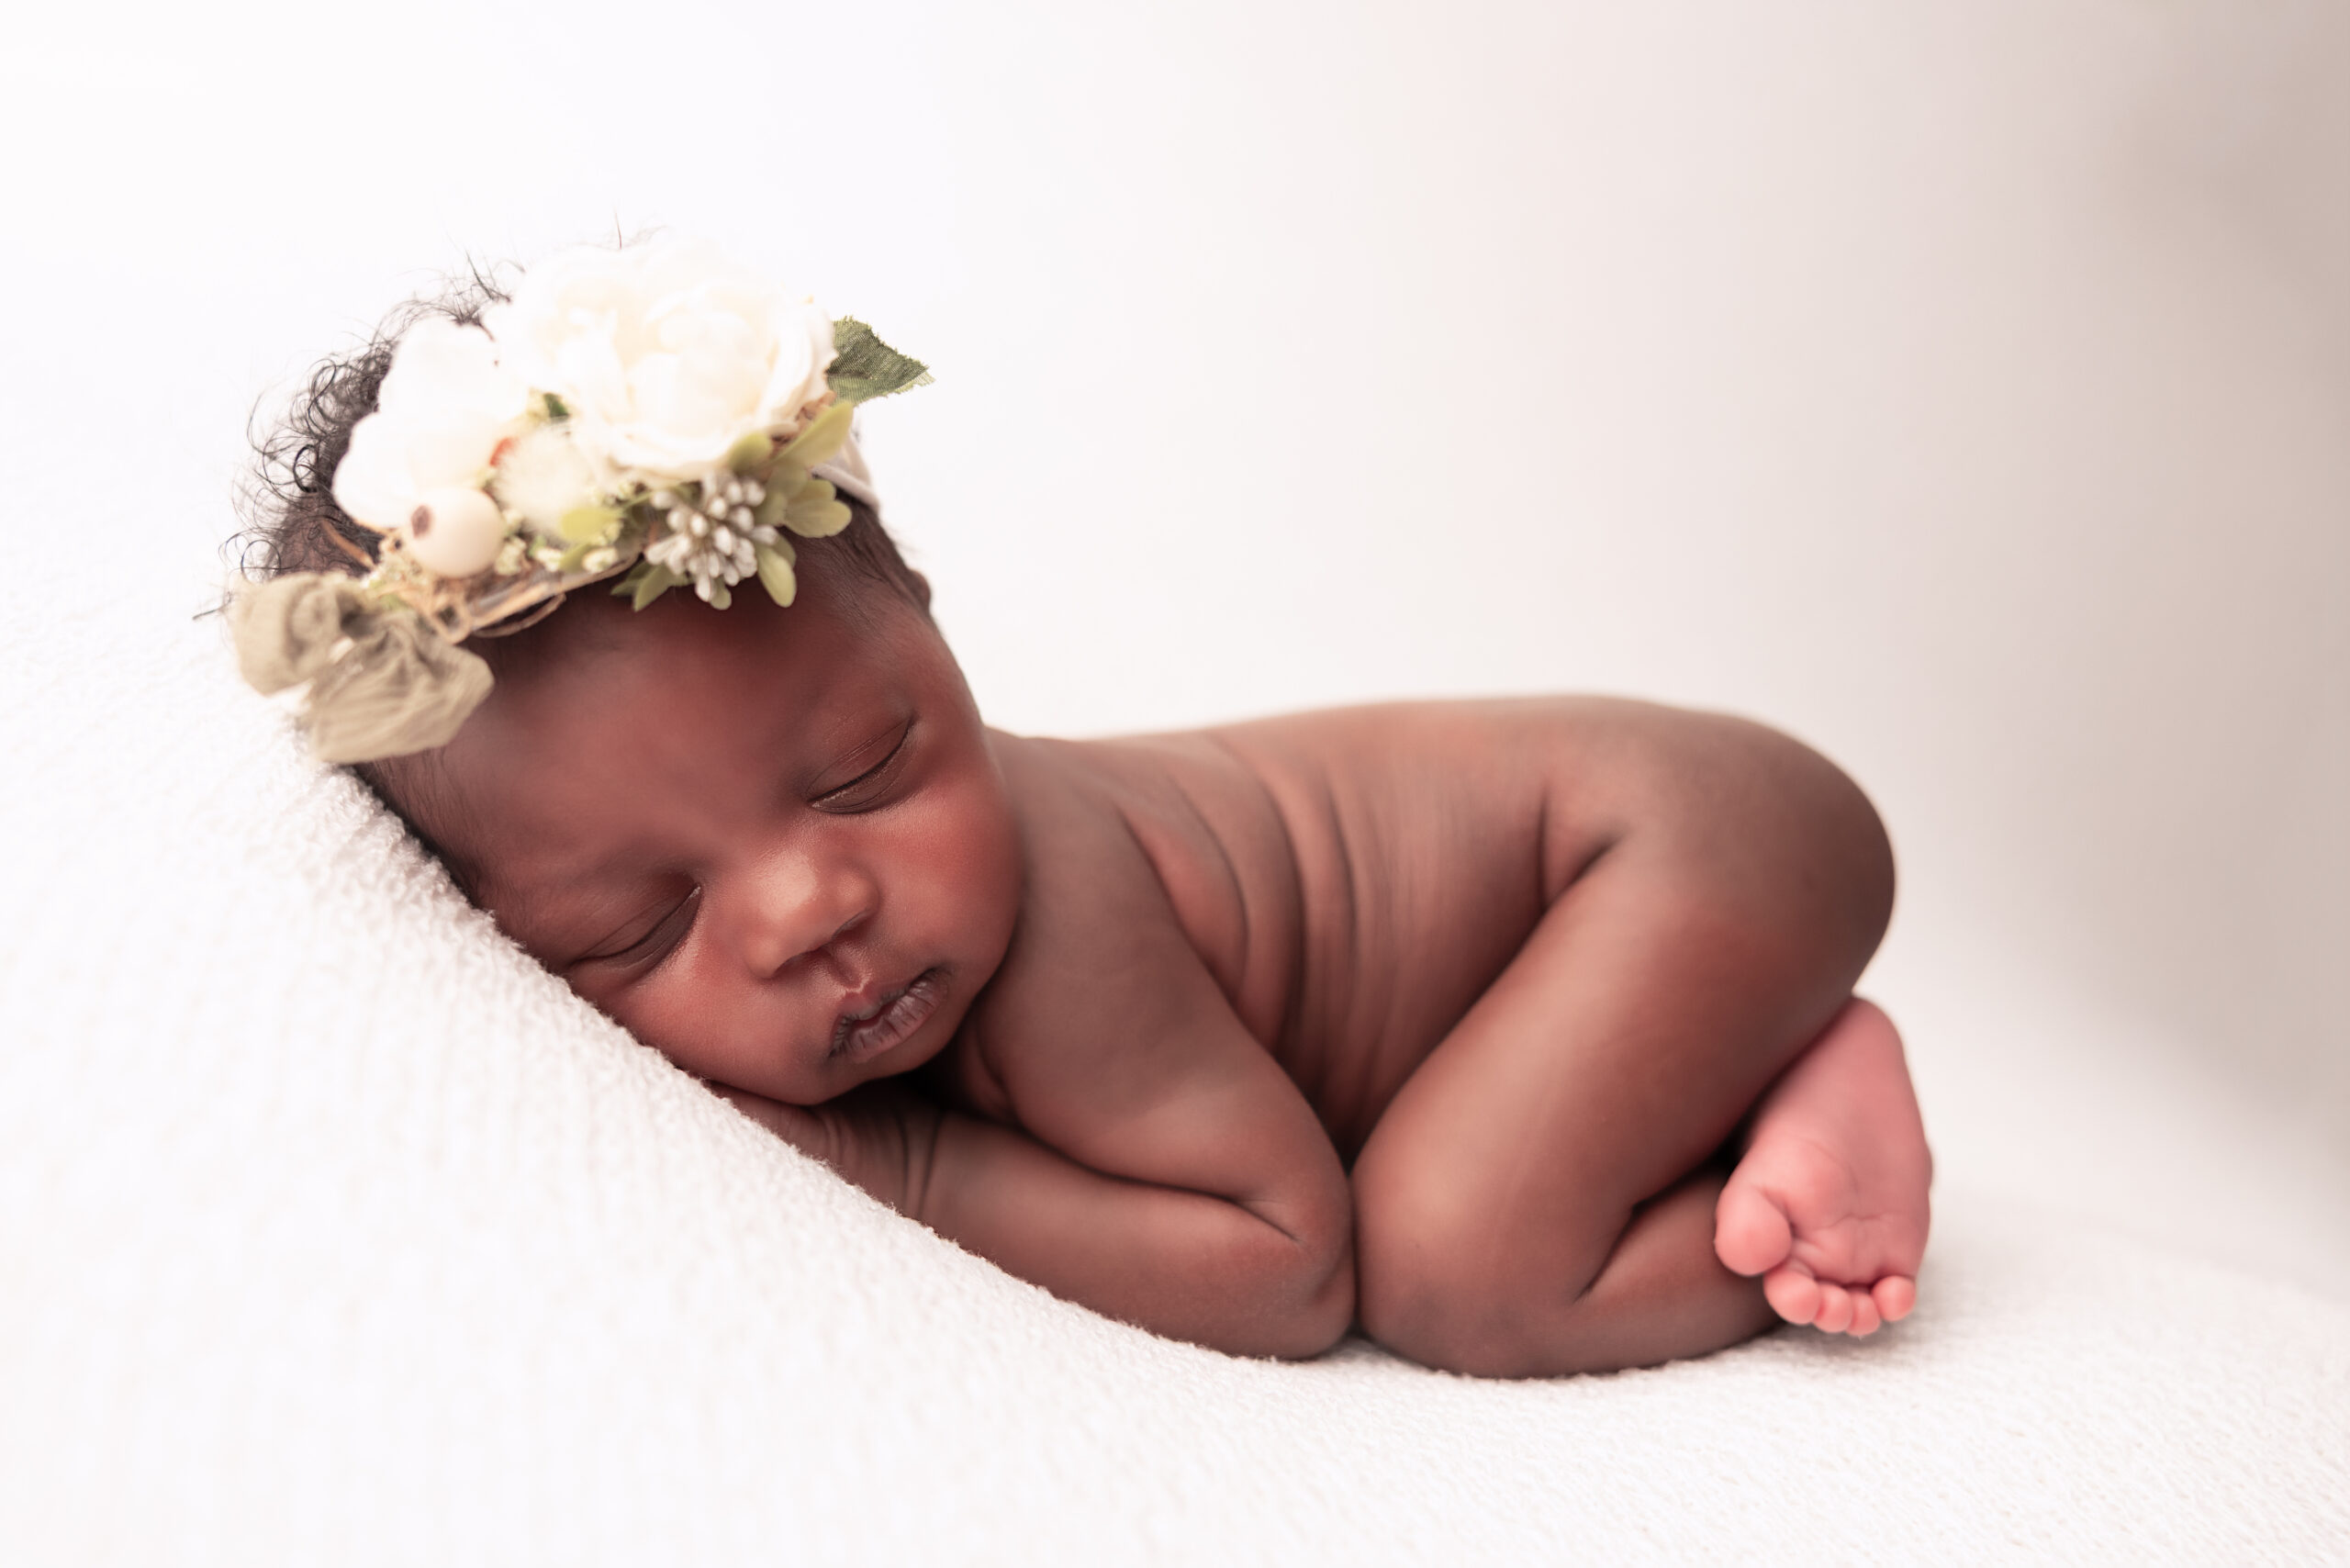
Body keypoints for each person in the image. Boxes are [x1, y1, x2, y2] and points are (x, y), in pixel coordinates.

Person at [229, 236, 1930, 1377]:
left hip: (1672, 845)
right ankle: (1731, 1077)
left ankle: (1787, 1141)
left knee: (1452, 1267)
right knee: (1456, 1198)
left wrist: (898, 1171)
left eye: (863, 774)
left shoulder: (1060, 926)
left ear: (936, 632)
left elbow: (1283, 1263)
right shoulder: (864, 912)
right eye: (639, 924)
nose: (806, 907)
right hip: (1612, 911)